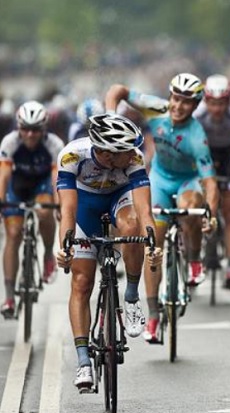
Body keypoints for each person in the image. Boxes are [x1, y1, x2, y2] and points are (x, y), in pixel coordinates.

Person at [105, 73, 219, 342]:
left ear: (195, 105)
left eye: (186, 102)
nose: (178, 106)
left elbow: (210, 182)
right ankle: (154, 315)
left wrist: (210, 214)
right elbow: (118, 88)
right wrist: (111, 115)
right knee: (153, 243)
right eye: (176, 99)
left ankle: (193, 259)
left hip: (187, 182)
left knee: (189, 206)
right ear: (169, 97)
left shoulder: (197, 136)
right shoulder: (154, 108)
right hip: (159, 178)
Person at [54, 113, 162, 390]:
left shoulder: (134, 159)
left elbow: (144, 210)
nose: (134, 153)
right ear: (108, 154)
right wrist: (65, 245)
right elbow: (66, 210)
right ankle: (83, 362)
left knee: (132, 226)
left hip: (119, 200)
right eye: (126, 150)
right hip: (84, 208)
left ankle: (131, 297)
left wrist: (151, 242)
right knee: (81, 282)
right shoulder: (71, 157)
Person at [0, 101, 64, 318]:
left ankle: (47, 254)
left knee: (45, 212)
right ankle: (9, 296)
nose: (30, 134)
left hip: (42, 184)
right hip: (17, 185)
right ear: (18, 126)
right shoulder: (10, 142)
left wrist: (59, 204)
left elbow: (57, 178)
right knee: (13, 233)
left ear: (44, 128)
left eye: (35, 129)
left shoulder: (54, 144)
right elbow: (4, 175)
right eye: (25, 128)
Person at [194, 74, 230, 289]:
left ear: (228, 102)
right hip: (204, 153)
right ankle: (197, 248)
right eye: (212, 103)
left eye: (221, 104)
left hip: (228, 157)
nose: (217, 109)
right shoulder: (198, 115)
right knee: (197, 200)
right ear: (206, 101)